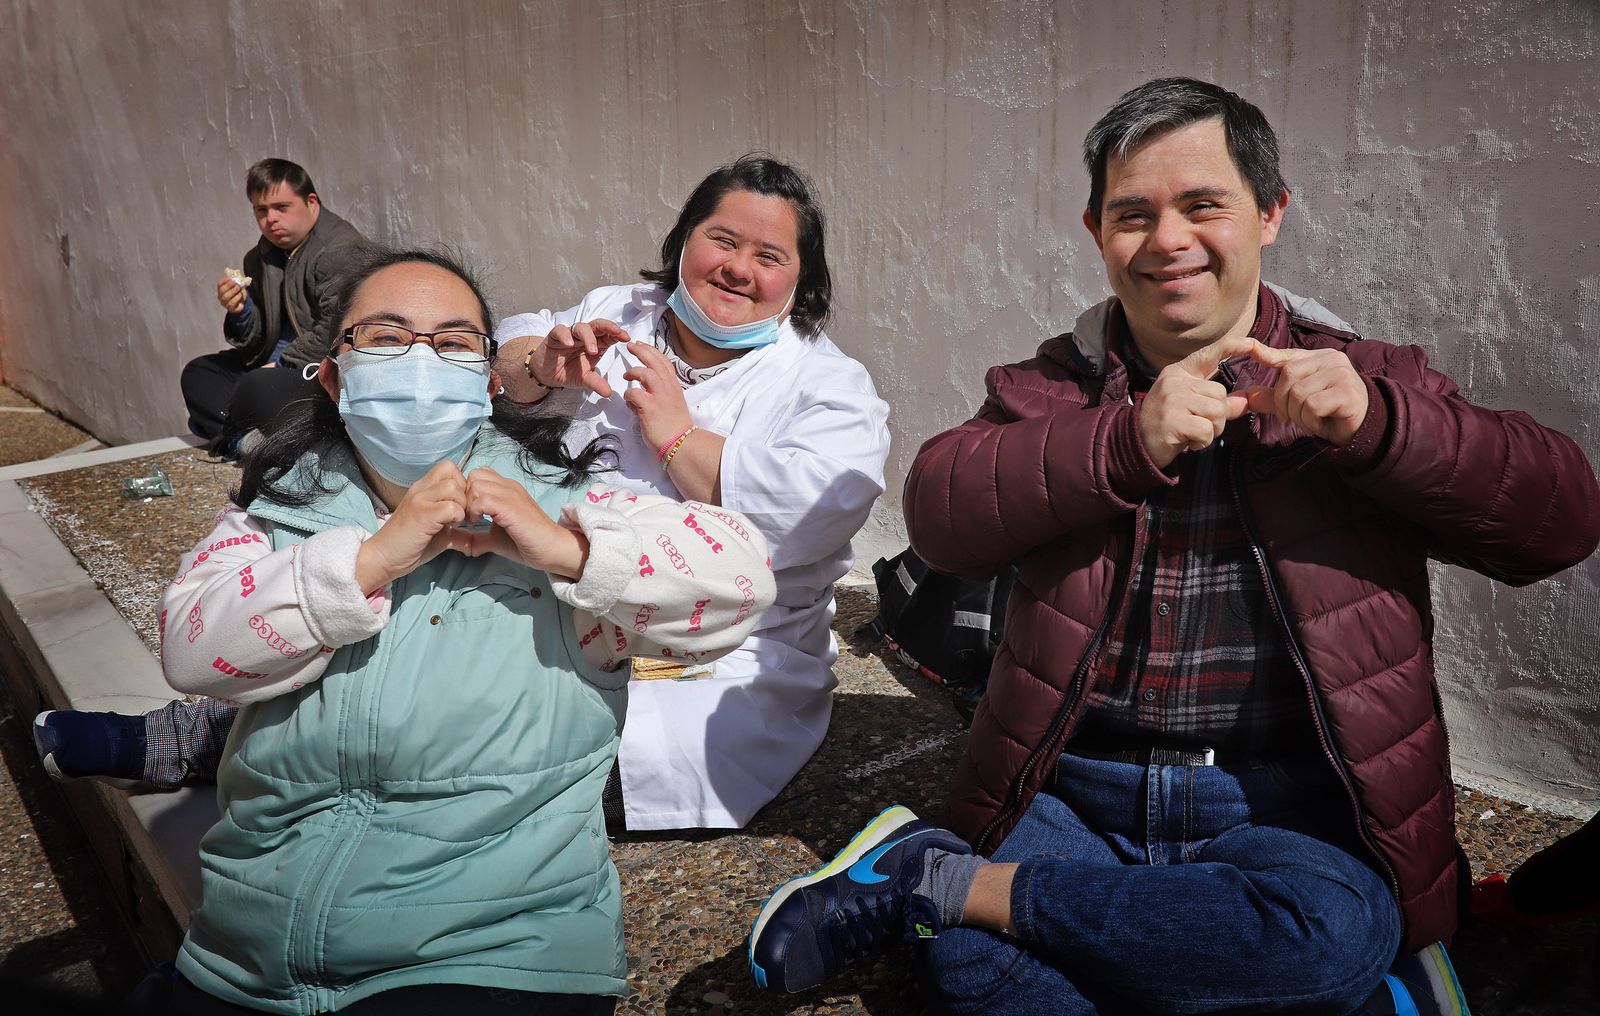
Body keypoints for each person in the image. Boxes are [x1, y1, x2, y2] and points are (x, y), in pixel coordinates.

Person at [747, 77, 1600, 1014]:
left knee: (1325, 934)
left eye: (1204, 206)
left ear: (1270, 213)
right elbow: (942, 520)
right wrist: (1125, 438)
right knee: (976, 976)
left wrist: (1382, 426)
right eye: (1132, 215)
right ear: (1095, 231)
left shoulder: (1366, 377)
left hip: (1284, 803)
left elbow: (1558, 525)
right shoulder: (1051, 385)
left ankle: (941, 883)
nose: (1168, 242)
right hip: (1076, 788)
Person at [38, 155, 889, 835]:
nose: (736, 268)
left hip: (703, 658)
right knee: (408, 651)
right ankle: (224, 738)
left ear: (800, 281)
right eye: (720, 239)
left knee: (486, 743)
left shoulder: (830, 391)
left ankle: (209, 746)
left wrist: (678, 437)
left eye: (768, 256)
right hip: (540, 599)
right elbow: (506, 349)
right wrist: (540, 364)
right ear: (682, 240)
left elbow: (790, 533)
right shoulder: (622, 311)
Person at [133, 244, 774, 1014]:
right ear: (334, 378)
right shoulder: (279, 514)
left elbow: (741, 584)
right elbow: (191, 648)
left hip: (494, 955)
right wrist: (367, 563)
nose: (420, 360)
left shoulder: (567, 502)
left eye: (453, 342)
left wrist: (567, 552)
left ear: (489, 379)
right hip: (247, 953)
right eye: (386, 337)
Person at [179, 158, 365, 453]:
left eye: (281, 207)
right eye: (261, 210)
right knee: (199, 372)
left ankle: (235, 433)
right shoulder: (260, 257)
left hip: (315, 372)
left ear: (311, 202)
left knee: (255, 388)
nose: (271, 219)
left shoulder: (339, 250)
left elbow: (336, 328)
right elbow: (256, 345)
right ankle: (247, 443)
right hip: (269, 371)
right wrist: (240, 312)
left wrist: (280, 365)